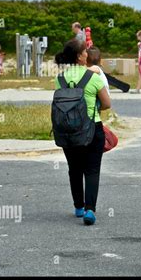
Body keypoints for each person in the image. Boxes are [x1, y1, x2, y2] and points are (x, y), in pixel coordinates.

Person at [55, 39, 111, 226]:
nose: (87, 53)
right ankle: (89, 210)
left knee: (74, 169)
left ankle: (78, 206)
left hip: (68, 130)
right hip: (91, 128)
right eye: (85, 51)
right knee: (92, 169)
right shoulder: (92, 77)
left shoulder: (60, 78)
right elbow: (107, 103)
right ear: (80, 56)